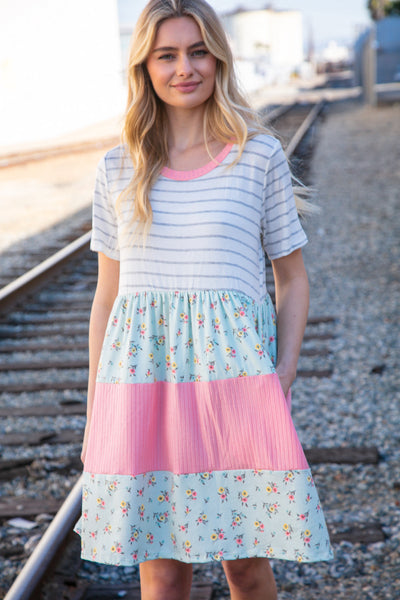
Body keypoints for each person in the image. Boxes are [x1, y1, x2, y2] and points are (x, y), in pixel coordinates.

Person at [74, 1, 333, 598]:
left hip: (233, 389)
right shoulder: (118, 168)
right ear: (145, 66)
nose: (184, 68)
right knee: (161, 572)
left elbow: (291, 279)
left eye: (198, 52)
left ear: (218, 59)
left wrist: (282, 373)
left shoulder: (257, 156)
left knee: (245, 565)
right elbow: (107, 298)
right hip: (143, 390)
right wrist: (97, 409)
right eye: (167, 55)